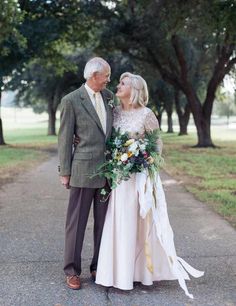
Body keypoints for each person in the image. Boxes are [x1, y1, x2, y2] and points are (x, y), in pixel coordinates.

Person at [95, 72, 204, 299]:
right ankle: (118, 274)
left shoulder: (146, 114)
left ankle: (142, 273)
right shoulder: (113, 113)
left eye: (122, 83)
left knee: (141, 223)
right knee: (120, 222)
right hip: (119, 179)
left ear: (134, 89)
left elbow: (157, 143)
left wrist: (144, 158)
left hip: (140, 178)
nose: (118, 85)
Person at [58, 57, 114, 290]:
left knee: (104, 224)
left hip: (109, 172)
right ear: (93, 76)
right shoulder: (71, 101)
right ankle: (72, 270)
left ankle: (98, 266)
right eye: (106, 76)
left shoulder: (110, 98)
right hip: (82, 170)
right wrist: (65, 171)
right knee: (76, 224)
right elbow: (64, 138)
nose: (109, 80)